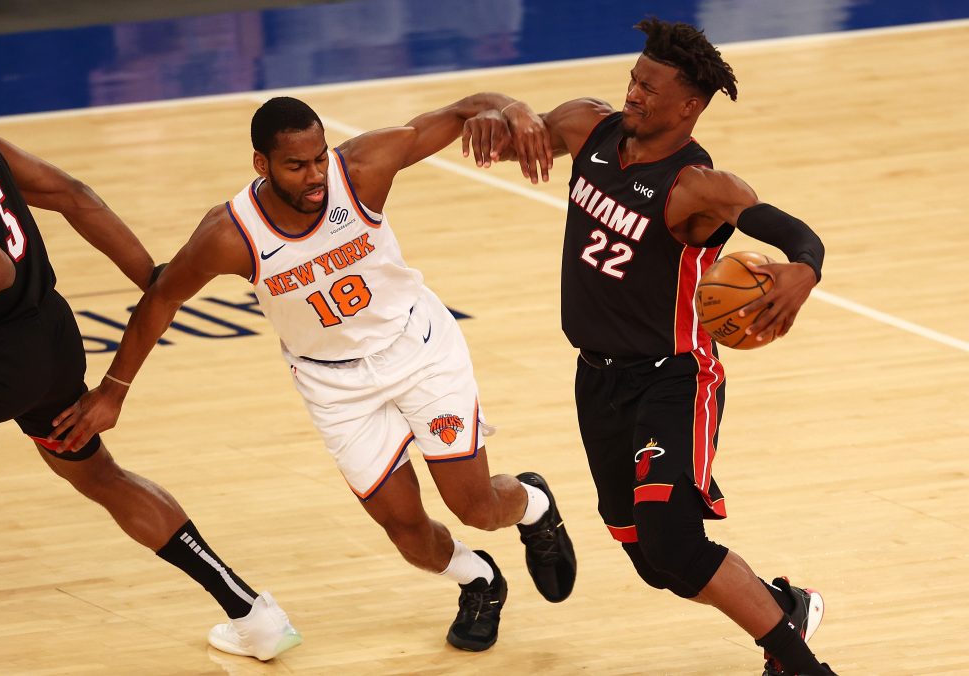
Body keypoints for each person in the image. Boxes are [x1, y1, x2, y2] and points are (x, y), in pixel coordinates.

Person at [48, 93, 578, 652]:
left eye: (320, 158)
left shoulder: (364, 169)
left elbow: (456, 114)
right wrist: (113, 390)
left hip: (418, 352)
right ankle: (480, 579)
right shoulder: (231, 234)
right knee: (405, 530)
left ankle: (534, 505)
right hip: (334, 385)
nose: (316, 175)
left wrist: (512, 108)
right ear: (262, 164)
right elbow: (161, 298)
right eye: (296, 165)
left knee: (474, 506)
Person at [491, 18, 835, 676]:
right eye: (634, 79)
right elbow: (519, 133)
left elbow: (789, 230)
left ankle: (801, 665)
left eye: (651, 88)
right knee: (656, 565)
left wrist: (805, 269)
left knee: (675, 543)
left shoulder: (697, 187)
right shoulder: (587, 127)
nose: (634, 93)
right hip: (596, 380)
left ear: (689, 106)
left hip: (673, 379)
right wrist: (499, 110)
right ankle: (783, 606)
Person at [0, 58, 301, 662]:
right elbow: (73, 195)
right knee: (99, 475)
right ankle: (251, 612)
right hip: (52, 336)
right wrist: (154, 284)